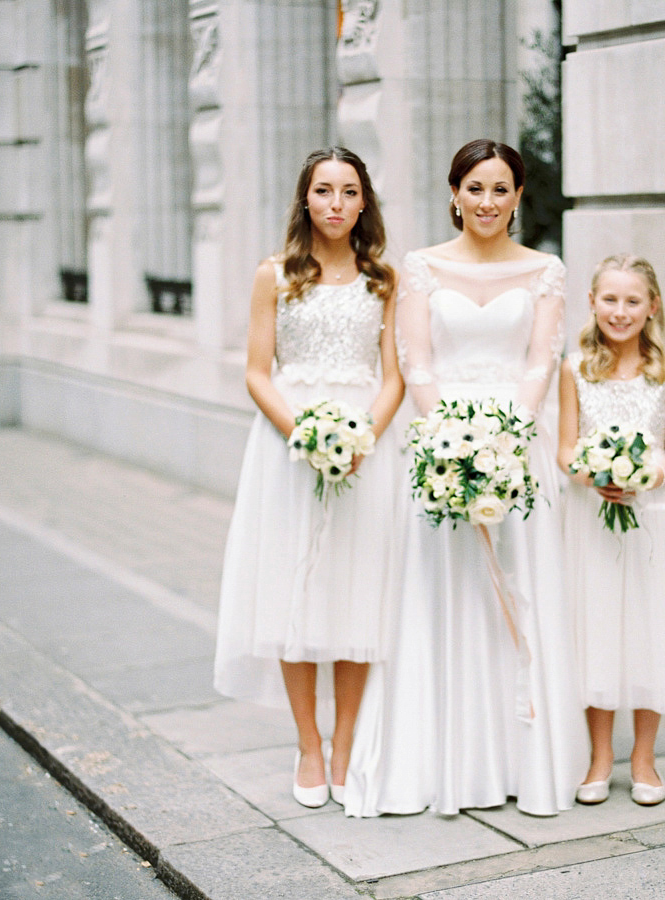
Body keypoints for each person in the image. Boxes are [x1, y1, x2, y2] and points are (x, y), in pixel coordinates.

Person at [344, 139, 584, 817]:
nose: (487, 202)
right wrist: (453, 442)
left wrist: (505, 440)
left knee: (517, 590)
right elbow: (416, 363)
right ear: (455, 194)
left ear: (518, 197)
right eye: (475, 188)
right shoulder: (419, 268)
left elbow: (541, 361)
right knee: (446, 595)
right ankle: (443, 761)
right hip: (439, 451)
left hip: (518, 449)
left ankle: (522, 760)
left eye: (500, 189)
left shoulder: (545, 270)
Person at [214, 147, 403, 808]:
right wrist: (304, 434)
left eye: (348, 193)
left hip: (364, 455)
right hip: (288, 450)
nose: (335, 205)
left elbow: (395, 375)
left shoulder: (384, 279)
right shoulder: (275, 275)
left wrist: (363, 439)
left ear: (363, 203)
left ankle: (347, 744)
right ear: (305, 200)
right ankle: (308, 744)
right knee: (295, 592)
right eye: (323, 191)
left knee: (357, 593)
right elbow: (257, 372)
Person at [557, 254, 665, 807]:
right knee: (597, 626)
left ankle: (644, 757)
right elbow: (563, 450)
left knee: (651, 628)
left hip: (654, 514)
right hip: (592, 516)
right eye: (610, 299)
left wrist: (644, 475)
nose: (620, 311)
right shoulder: (574, 368)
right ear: (591, 302)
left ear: (652, 307)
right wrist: (595, 475)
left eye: (633, 301)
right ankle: (600, 756)